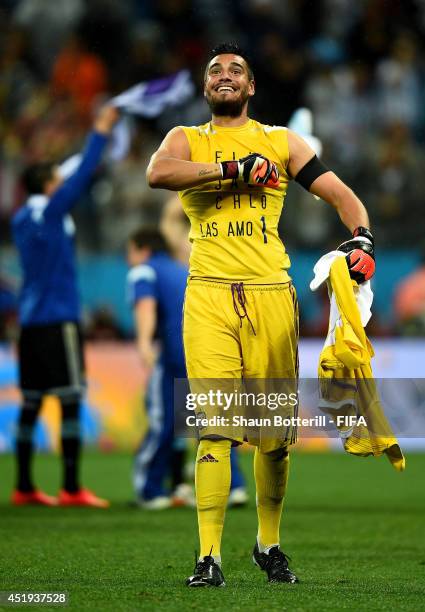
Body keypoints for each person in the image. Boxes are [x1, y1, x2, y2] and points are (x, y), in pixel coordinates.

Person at [147, 42, 375, 587]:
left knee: (274, 433)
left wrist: (363, 238)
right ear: (207, 88)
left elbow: (341, 194)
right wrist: (231, 168)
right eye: (215, 71)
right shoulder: (186, 139)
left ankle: (267, 545)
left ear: (250, 88)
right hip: (207, 294)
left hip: (273, 293)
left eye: (236, 72)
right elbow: (159, 173)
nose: (224, 76)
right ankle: (208, 558)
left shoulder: (279, 142)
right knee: (215, 427)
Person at [11, 103, 119, 507]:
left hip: (29, 322)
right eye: (56, 179)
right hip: (59, 320)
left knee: (32, 402)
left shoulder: (23, 218)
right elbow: (84, 173)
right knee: (71, 398)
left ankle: (23, 486)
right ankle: (72, 488)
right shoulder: (55, 212)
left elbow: (68, 177)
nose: (62, 183)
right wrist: (102, 131)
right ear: (48, 185)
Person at [127, 226, 191, 509]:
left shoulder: (144, 270)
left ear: (143, 249)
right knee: (202, 425)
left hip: (173, 357)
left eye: (129, 251)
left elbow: (145, 307)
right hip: (200, 355)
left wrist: (143, 343)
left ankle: (149, 488)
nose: (128, 258)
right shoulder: (182, 270)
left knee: (161, 421)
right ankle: (227, 487)